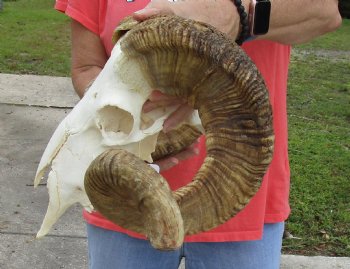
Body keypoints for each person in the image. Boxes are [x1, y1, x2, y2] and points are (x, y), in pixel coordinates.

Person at [55, 1, 341, 268]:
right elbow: (86, 66)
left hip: (244, 200)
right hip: (124, 196)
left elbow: (325, 11)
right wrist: (126, 108)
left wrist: (238, 15)